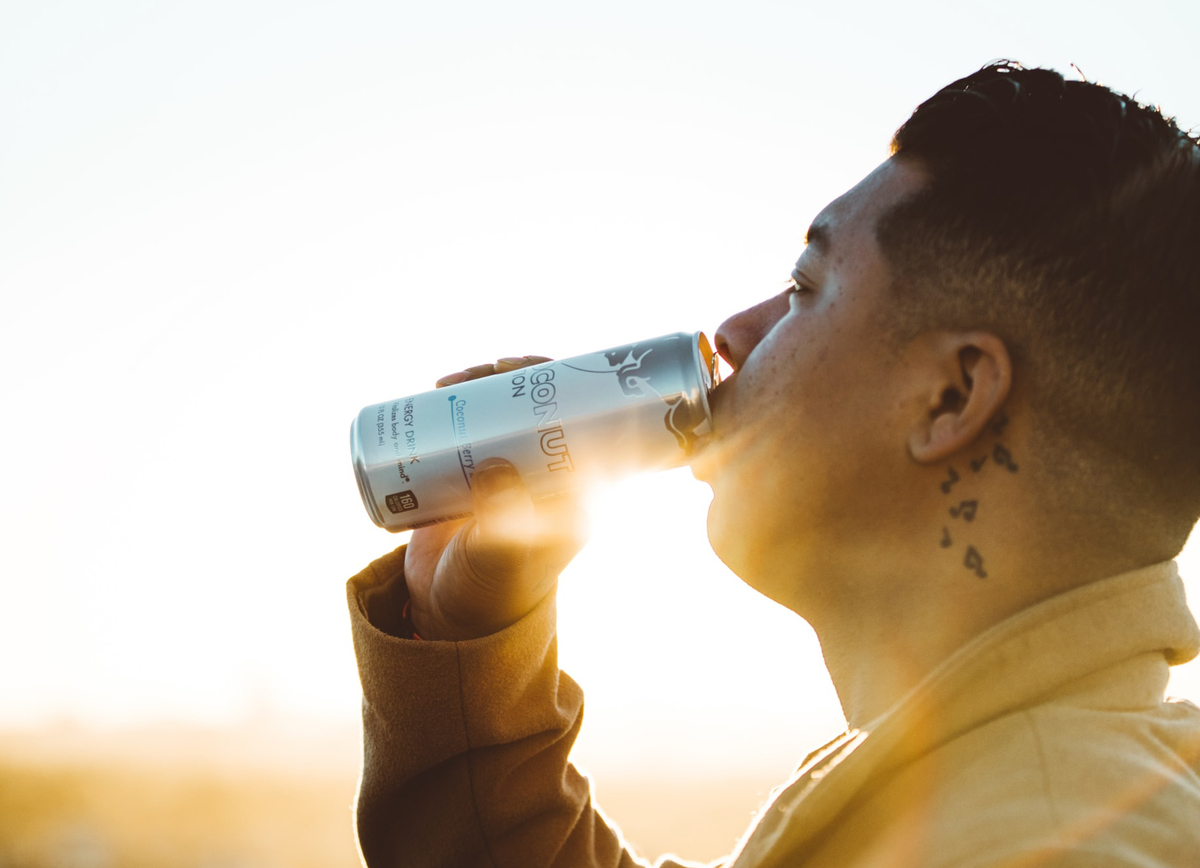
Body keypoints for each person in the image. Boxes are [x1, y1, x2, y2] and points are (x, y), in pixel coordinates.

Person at [346, 61, 1200, 867]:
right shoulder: (1026, 786)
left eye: (805, 286)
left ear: (952, 396)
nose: (733, 333)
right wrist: (468, 638)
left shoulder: (1037, 841)